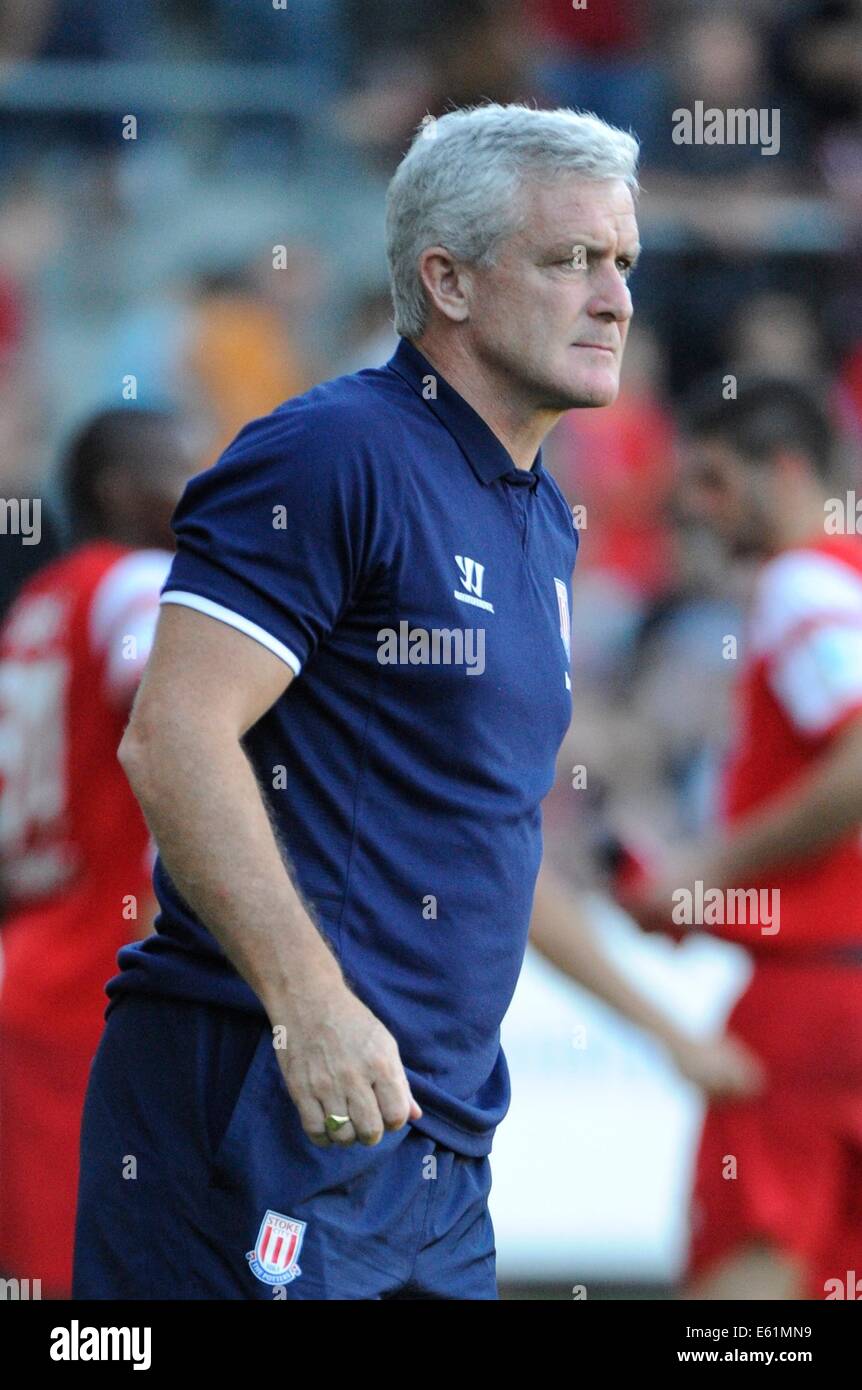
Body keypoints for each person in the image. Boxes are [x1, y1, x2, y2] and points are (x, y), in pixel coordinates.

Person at [73, 102, 730, 1302]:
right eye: (568, 258)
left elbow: (488, 830)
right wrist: (309, 1004)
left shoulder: (538, 515)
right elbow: (173, 734)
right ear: (449, 282)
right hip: (259, 1093)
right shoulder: (334, 453)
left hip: (434, 1138)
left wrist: (658, 1017)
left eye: (622, 262)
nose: (613, 296)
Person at [621, 376, 862, 1300]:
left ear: (788, 470)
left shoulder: (803, 586)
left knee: (747, 1285)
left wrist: (706, 871)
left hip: (813, 999)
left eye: (717, 481)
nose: (697, 507)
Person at [0, 406, 197, 1297]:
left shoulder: (41, 600)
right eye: (181, 465)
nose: (203, 486)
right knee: (89, 1290)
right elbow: (168, 698)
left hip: (31, 957)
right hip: (94, 974)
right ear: (123, 490)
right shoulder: (137, 581)